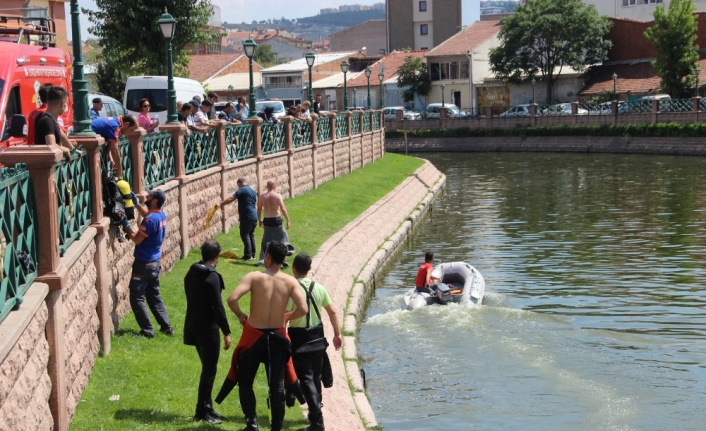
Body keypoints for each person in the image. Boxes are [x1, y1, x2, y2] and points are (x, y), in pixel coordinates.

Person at [225, 241, 308, 431]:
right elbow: (303, 308)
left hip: (254, 337)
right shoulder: (290, 281)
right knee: (276, 385)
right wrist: (287, 316)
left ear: (268, 256)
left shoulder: (254, 277)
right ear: (284, 259)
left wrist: (240, 314)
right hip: (277, 339)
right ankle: (276, 427)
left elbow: (232, 299)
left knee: (246, 382)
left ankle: (252, 424)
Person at [288, 253, 342, 431]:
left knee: (306, 379)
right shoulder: (319, 288)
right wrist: (337, 334)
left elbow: (284, 315)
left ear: (294, 268)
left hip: (300, 339)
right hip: (318, 338)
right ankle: (314, 413)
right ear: (309, 269)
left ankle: (317, 422)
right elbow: (332, 311)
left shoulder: (291, 289)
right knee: (316, 377)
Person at [184, 239, 232, 425]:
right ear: (217, 256)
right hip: (208, 329)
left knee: (207, 368)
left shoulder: (191, 272)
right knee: (209, 370)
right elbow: (217, 308)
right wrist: (226, 332)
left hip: (193, 326)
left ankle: (207, 406)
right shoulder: (212, 276)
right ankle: (201, 410)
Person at [122, 189, 173, 338]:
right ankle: (166, 327)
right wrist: (137, 204)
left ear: (155, 201)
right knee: (154, 295)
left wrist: (125, 225)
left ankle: (147, 331)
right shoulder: (161, 214)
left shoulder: (150, 220)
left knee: (136, 296)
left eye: (149, 196)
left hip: (143, 263)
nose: (147, 197)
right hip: (155, 262)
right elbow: (147, 215)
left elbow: (137, 239)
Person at [28, 84, 75, 159]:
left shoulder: (42, 116)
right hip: (46, 164)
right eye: (66, 104)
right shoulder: (48, 120)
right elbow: (51, 145)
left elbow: (59, 131)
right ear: (62, 103)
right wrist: (64, 149)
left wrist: (72, 149)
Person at [216, 177, 258, 260]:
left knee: (245, 235)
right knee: (251, 235)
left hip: (246, 216)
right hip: (254, 216)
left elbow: (232, 198)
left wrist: (221, 204)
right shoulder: (252, 191)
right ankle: (252, 254)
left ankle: (248, 255)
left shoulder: (242, 190)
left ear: (239, 184)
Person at [256, 180, 292, 267]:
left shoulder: (262, 196)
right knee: (282, 239)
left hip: (267, 220)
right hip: (276, 219)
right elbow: (283, 208)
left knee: (266, 240)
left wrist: (260, 220)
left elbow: (259, 209)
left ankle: (262, 258)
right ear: (275, 187)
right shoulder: (278, 196)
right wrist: (288, 220)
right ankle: (282, 259)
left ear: (267, 187)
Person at [91, 115, 139, 179]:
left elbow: (110, 145)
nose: (129, 133)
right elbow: (114, 150)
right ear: (127, 124)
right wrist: (119, 169)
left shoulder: (116, 121)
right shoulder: (114, 126)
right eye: (131, 130)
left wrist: (111, 159)